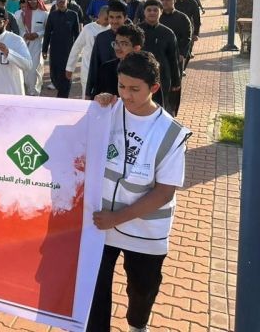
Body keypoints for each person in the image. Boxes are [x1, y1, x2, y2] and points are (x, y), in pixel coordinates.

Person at [87, 51, 190, 332]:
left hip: (144, 230)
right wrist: (98, 105)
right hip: (101, 224)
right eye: (122, 86)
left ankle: (137, 325)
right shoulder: (108, 111)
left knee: (142, 290)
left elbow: (164, 192)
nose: (126, 95)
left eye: (135, 89)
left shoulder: (170, 133)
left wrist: (116, 218)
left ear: (153, 88)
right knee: (93, 290)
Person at [139, 0, 181, 114]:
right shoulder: (136, 31)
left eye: (155, 10)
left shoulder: (168, 33)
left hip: (162, 78)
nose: (152, 13)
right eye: (149, 10)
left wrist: (176, 82)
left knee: (159, 107)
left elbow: (174, 59)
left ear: (161, 12)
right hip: (139, 75)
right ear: (144, 12)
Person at [89, 24, 144, 99]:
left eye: (124, 44)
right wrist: (100, 97)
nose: (117, 47)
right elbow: (96, 96)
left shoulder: (146, 70)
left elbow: (155, 103)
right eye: (116, 43)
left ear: (136, 48)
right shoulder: (106, 68)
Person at [85, 0, 127, 99]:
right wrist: (88, 91)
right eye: (111, 17)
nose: (115, 21)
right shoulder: (101, 38)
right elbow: (94, 64)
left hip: (127, 88)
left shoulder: (132, 37)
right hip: (105, 89)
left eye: (118, 17)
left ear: (125, 18)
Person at [159, 0, 192, 116]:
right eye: (162, 0)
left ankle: (172, 110)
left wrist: (182, 53)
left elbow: (187, 38)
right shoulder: (157, 17)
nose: (164, 2)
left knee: (174, 85)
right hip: (159, 57)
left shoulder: (182, 18)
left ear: (174, 0)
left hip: (176, 58)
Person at [66, 5, 110, 99]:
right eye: (106, 19)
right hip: (88, 70)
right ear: (99, 16)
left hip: (106, 71)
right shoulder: (88, 29)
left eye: (109, 19)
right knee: (87, 98)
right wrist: (70, 68)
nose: (108, 21)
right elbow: (76, 48)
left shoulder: (112, 29)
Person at [43, 0, 80, 98]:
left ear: (67, 1)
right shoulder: (52, 15)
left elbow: (77, 35)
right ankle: (61, 91)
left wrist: (77, 51)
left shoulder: (73, 15)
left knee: (66, 74)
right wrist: (44, 49)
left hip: (68, 51)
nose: (61, 0)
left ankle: (63, 97)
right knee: (54, 75)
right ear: (56, 2)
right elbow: (47, 33)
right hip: (54, 50)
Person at [14, 0, 48, 96]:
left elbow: (47, 29)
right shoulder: (20, 14)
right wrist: (25, 34)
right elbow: (18, 29)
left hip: (37, 45)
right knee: (23, 69)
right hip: (23, 44)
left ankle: (34, 92)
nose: (32, 1)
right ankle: (25, 92)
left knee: (34, 69)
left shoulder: (44, 14)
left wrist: (37, 34)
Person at [174, 0, 200, 64]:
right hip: (175, 29)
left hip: (188, 30)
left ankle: (183, 69)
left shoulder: (192, 2)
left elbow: (197, 19)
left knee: (187, 52)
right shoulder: (172, 1)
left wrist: (196, 33)